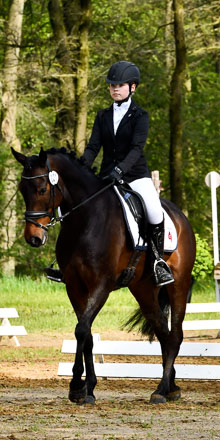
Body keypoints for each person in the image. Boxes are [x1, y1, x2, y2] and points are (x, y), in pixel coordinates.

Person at [82, 60, 174, 287]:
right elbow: (94, 147)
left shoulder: (140, 116)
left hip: (135, 176)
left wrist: (121, 169)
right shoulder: (102, 116)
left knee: (154, 211)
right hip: (106, 177)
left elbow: (136, 149)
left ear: (132, 87)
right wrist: (83, 167)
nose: (114, 89)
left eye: (119, 85)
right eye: (111, 85)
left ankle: (158, 263)